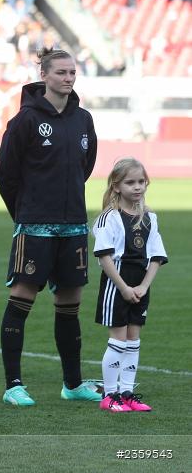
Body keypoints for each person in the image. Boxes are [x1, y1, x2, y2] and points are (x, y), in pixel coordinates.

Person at [0, 47, 99, 407]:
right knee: (22, 299)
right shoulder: (24, 120)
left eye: (72, 72)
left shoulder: (83, 119)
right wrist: (25, 213)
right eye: (61, 73)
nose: (68, 78)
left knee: (70, 302)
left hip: (73, 226)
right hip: (34, 226)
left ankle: (72, 384)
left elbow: (85, 168)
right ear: (44, 76)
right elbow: (5, 174)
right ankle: (13, 385)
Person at [93, 158, 167, 413]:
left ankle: (127, 392)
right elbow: (104, 257)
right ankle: (110, 395)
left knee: (134, 340)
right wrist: (124, 287)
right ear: (116, 186)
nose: (137, 187)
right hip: (118, 284)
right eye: (130, 182)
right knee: (119, 339)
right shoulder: (109, 218)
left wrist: (144, 286)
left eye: (141, 182)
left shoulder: (150, 218)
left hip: (141, 285)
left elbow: (156, 257)